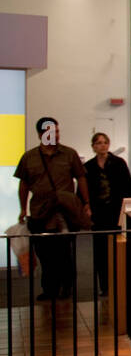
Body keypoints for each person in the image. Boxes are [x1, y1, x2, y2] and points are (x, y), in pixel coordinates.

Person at [14, 117, 91, 300]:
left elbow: (81, 177)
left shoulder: (69, 154)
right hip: (40, 211)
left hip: (64, 211)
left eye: (57, 131)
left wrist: (86, 202)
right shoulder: (29, 157)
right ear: (41, 134)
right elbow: (24, 184)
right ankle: (50, 289)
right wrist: (23, 209)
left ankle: (66, 286)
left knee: (64, 251)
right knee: (45, 253)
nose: (55, 134)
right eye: (51, 131)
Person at [83, 132, 131, 296]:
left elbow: (128, 187)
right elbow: (85, 190)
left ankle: (119, 282)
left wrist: (128, 207)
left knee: (118, 247)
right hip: (99, 213)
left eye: (105, 142)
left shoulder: (118, 163)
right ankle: (104, 285)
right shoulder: (89, 166)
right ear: (93, 146)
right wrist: (87, 207)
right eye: (99, 143)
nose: (102, 145)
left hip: (116, 211)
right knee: (100, 250)